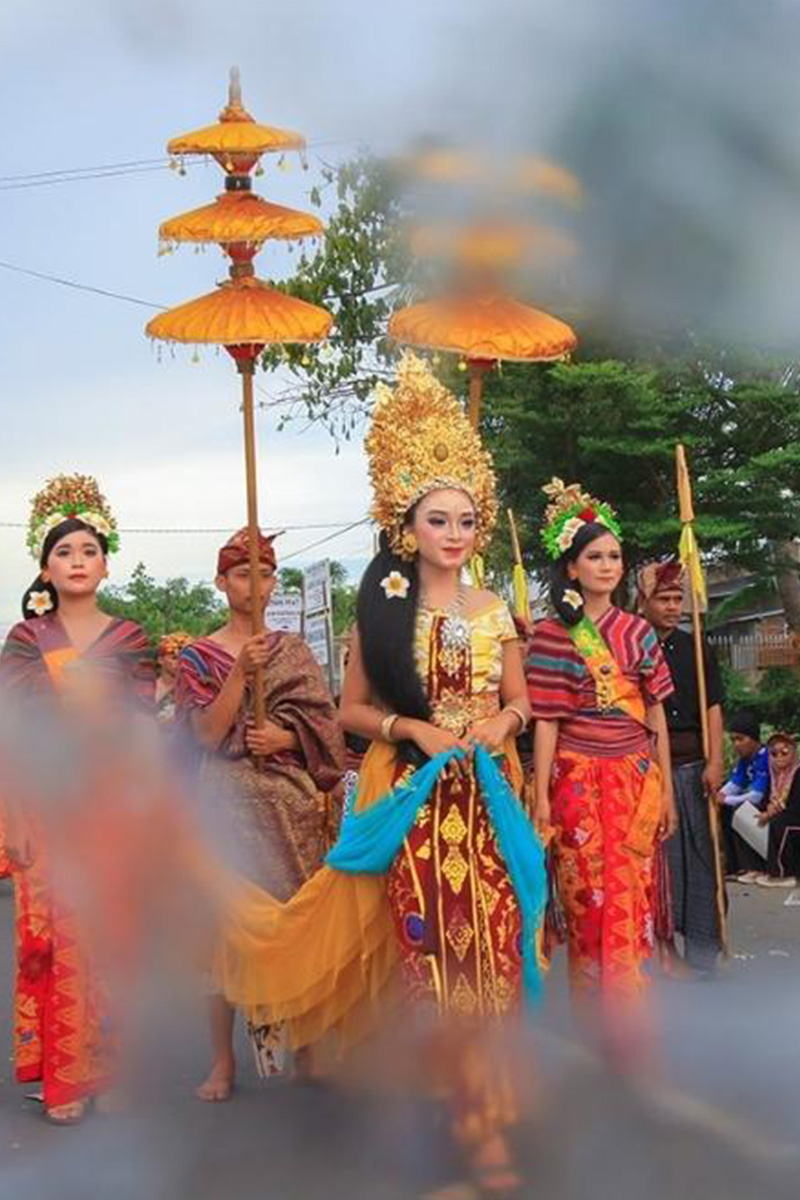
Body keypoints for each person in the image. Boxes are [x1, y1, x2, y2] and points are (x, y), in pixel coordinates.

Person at [211, 355, 546, 1198]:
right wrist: (414, 727)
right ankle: (444, 1124)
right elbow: (351, 711)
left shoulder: (495, 611)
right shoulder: (384, 614)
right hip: (414, 804)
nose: (455, 533)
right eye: (439, 519)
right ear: (408, 527)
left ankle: (485, 1117)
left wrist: (502, 725)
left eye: (467, 519)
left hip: (488, 801)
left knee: (495, 951)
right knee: (427, 956)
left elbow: (522, 699)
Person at [0, 474, 154, 1125]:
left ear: (106, 563)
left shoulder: (131, 639)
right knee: (56, 942)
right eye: (64, 552)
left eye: (89, 550)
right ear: (45, 568)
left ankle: (112, 1070)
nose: (78, 561)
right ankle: (65, 1080)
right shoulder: (25, 641)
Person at [175, 526, 344, 1101]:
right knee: (221, 936)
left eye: (265, 573)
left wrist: (286, 737)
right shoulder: (198, 656)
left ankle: (308, 1050)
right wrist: (239, 673)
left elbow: (327, 731)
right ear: (222, 582)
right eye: (243, 573)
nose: (256, 584)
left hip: (291, 809)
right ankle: (223, 1062)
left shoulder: (293, 650)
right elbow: (204, 734)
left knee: (297, 927)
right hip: (225, 809)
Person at [527, 479, 677, 1024]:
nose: (607, 565)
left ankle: (631, 1017)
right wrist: (542, 796)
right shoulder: (551, 636)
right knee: (587, 899)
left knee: (634, 896)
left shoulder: (640, 632)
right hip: (577, 780)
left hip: (636, 778)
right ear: (571, 568)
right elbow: (547, 720)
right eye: (594, 557)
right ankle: (595, 1021)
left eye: (614, 556)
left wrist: (666, 790)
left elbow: (655, 715)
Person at [637, 559, 726, 974]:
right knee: (663, 862)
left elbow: (713, 707)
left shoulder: (697, 647)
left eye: (678, 599)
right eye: (665, 599)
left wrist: (716, 760)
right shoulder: (633, 646)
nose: (673, 607)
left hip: (694, 766)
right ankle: (663, 948)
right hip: (651, 768)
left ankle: (704, 947)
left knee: (703, 857)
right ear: (644, 601)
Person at [716, 710, 769, 881]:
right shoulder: (745, 760)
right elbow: (736, 783)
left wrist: (726, 799)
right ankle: (734, 865)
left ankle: (754, 866)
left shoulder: (765, 757)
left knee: (738, 809)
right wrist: (719, 796)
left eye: (740, 739)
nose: (736, 745)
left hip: (768, 805)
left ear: (753, 739)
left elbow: (757, 796)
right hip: (754, 803)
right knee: (725, 810)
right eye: (733, 740)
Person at [753, 732, 800, 888]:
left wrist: (773, 811)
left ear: (793, 753)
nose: (779, 757)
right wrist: (766, 809)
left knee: (780, 822)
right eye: (774, 753)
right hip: (784, 814)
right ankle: (753, 868)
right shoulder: (773, 776)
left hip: (795, 817)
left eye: (784, 752)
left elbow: (796, 806)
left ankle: (783, 874)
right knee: (747, 815)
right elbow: (764, 801)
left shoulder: (798, 773)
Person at [155, 631, 193, 724]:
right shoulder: (146, 688)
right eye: (174, 658)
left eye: (184, 658)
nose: (180, 662)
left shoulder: (192, 691)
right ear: (160, 660)